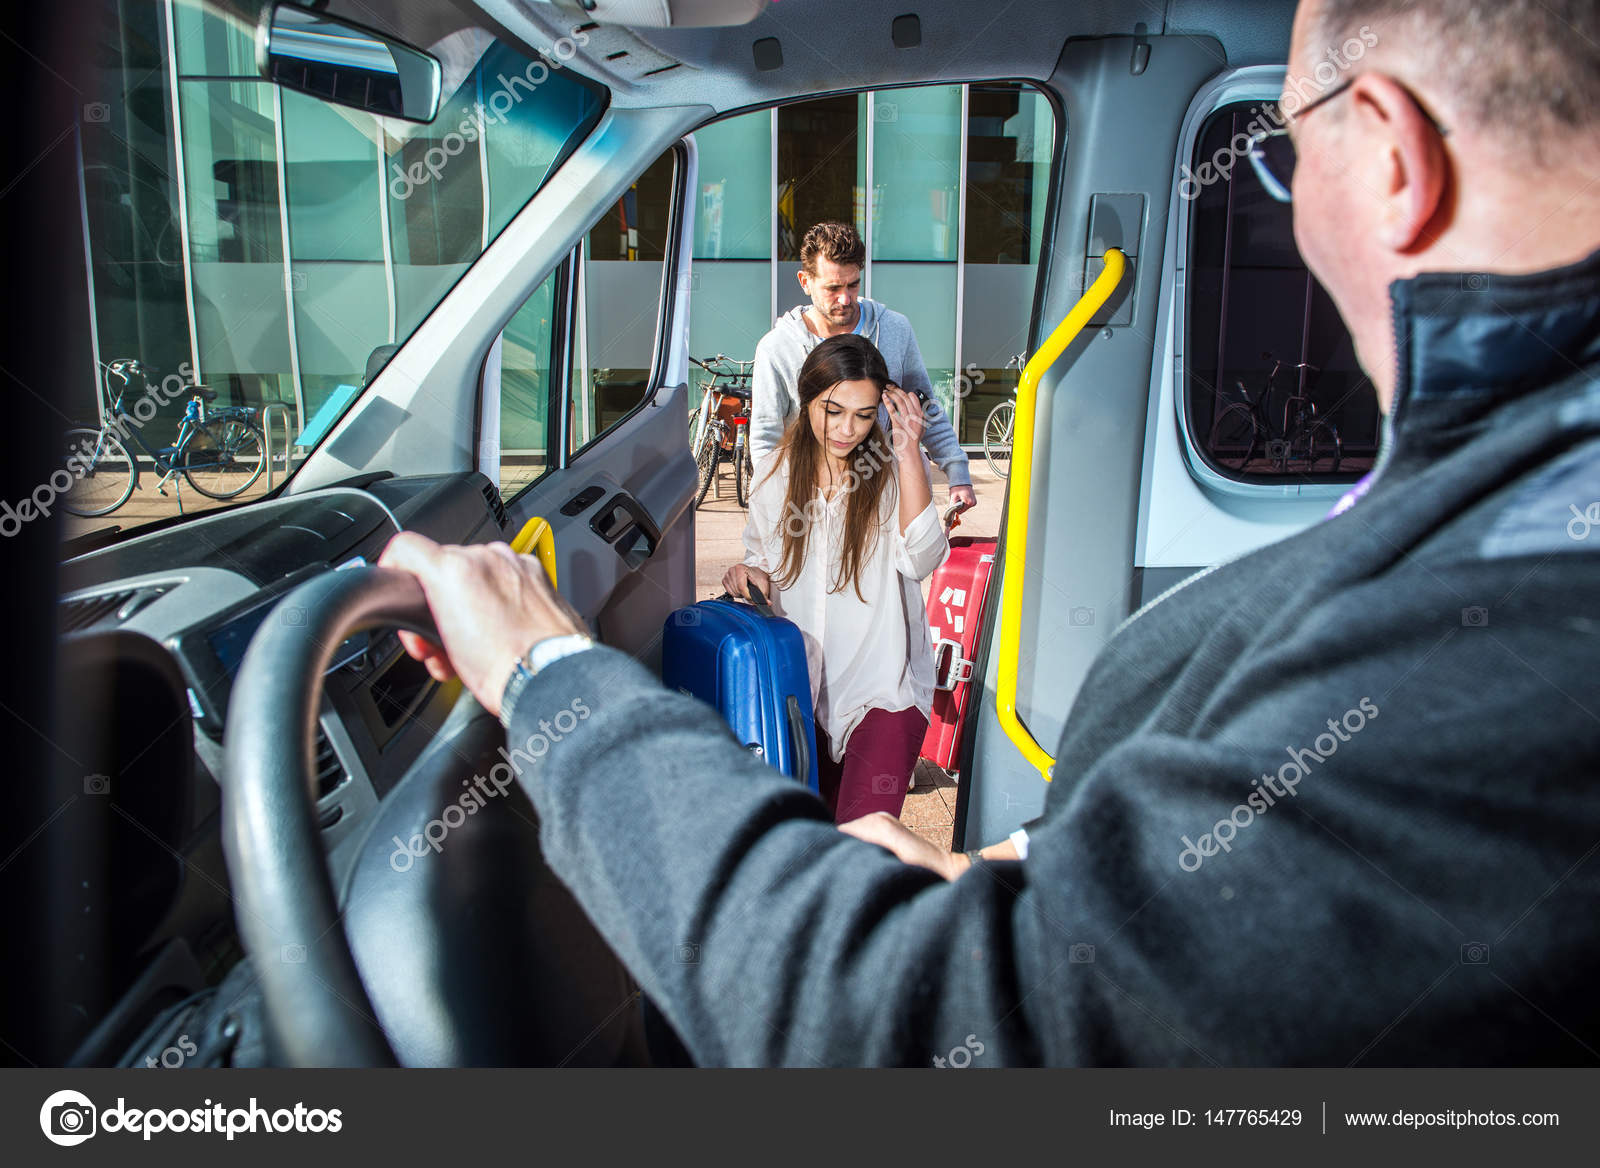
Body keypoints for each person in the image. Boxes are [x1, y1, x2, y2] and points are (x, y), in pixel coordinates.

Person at [380, 0, 1600, 1065]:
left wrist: (550, 672)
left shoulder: (1517, 637)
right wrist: (1009, 874)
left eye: (1283, 148)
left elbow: (897, 1030)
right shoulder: (1503, 518)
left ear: (1389, 157)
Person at [721, 334, 947, 823]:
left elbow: (924, 557)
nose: (848, 429)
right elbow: (762, 562)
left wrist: (909, 453)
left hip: (882, 693)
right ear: (807, 400)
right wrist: (747, 574)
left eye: (864, 415)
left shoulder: (888, 472)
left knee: (863, 844)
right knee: (811, 849)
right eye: (834, 410)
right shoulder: (774, 476)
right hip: (799, 699)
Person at [749, 221, 977, 514]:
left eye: (852, 285)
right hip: (814, 503)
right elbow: (766, 436)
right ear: (805, 282)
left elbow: (925, 405)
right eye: (832, 288)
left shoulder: (895, 329)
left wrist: (958, 473)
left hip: (887, 495)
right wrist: (769, 509)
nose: (845, 299)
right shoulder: (777, 348)